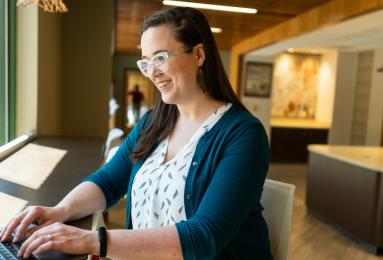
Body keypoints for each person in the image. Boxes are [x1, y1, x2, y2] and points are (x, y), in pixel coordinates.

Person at [0, 7, 273, 260]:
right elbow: (109, 182)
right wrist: (60, 210)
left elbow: (204, 236)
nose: (152, 73)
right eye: (146, 63)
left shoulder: (244, 135)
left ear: (199, 55)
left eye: (161, 58)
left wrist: (96, 241)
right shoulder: (153, 123)